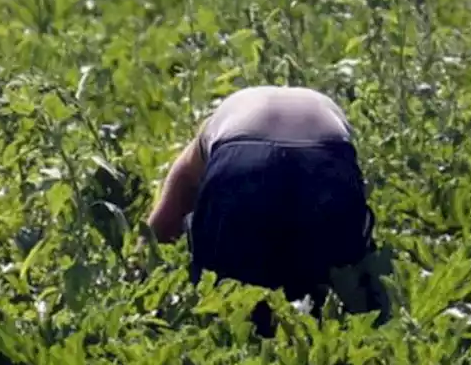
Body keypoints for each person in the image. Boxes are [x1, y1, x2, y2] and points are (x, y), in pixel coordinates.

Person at [147, 85, 383, 331]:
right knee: (331, 283)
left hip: (241, 159)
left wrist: (141, 277)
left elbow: (163, 223)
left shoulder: (205, 137)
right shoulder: (324, 106)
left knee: (228, 300)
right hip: (328, 155)